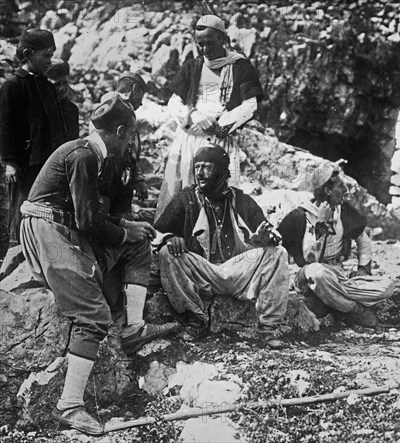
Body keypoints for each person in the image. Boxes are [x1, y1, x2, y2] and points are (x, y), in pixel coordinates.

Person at [19, 96, 180, 435]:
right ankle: (70, 406)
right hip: (50, 231)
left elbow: (101, 217)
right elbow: (89, 219)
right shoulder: (83, 155)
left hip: (71, 231)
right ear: (120, 131)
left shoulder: (103, 158)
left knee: (136, 243)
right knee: (93, 314)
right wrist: (123, 229)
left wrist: (130, 230)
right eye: (130, 135)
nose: (131, 143)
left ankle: (134, 327)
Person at [153, 144, 289, 349]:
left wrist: (263, 241)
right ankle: (196, 320)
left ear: (222, 170)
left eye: (207, 167)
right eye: (197, 167)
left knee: (278, 253)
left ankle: (267, 329)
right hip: (203, 272)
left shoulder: (242, 200)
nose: (199, 173)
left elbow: (270, 235)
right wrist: (170, 237)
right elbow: (156, 233)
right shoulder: (186, 198)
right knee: (167, 252)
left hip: (239, 270)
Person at [156, 14, 263, 219]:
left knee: (218, 198)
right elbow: (173, 102)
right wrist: (194, 114)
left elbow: (250, 104)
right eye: (201, 44)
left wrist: (221, 123)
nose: (205, 49)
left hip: (219, 141)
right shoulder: (193, 66)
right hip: (189, 139)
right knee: (184, 195)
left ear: (223, 39)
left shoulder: (240, 66)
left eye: (210, 43)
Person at [278, 162, 394, 328]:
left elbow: (362, 239)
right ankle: (356, 310)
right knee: (318, 273)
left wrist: (363, 268)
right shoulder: (299, 216)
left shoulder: (343, 211)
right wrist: (321, 226)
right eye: (341, 187)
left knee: (387, 286)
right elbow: (311, 259)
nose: (345, 191)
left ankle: (334, 299)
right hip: (309, 275)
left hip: (339, 276)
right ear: (327, 191)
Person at [0, 29, 70, 248]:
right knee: (20, 208)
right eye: (45, 55)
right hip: (23, 163)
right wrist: (10, 162)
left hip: (45, 162)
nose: (49, 61)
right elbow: (5, 126)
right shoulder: (13, 85)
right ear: (28, 53)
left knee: (42, 211)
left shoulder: (46, 86)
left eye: (51, 55)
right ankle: (13, 255)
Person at [95, 72, 148, 220]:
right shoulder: (111, 107)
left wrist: (138, 178)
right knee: (104, 220)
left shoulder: (125, 109)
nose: (142, 103)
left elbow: (130, 150)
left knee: (123, 220)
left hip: (123, 177)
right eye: (141, 96)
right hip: (108, 176)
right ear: (135, 89)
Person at [45, 58, 79, 141]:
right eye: (56, 84)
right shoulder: (36, 108)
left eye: (65, 83)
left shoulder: (71, 109)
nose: (62, 88)